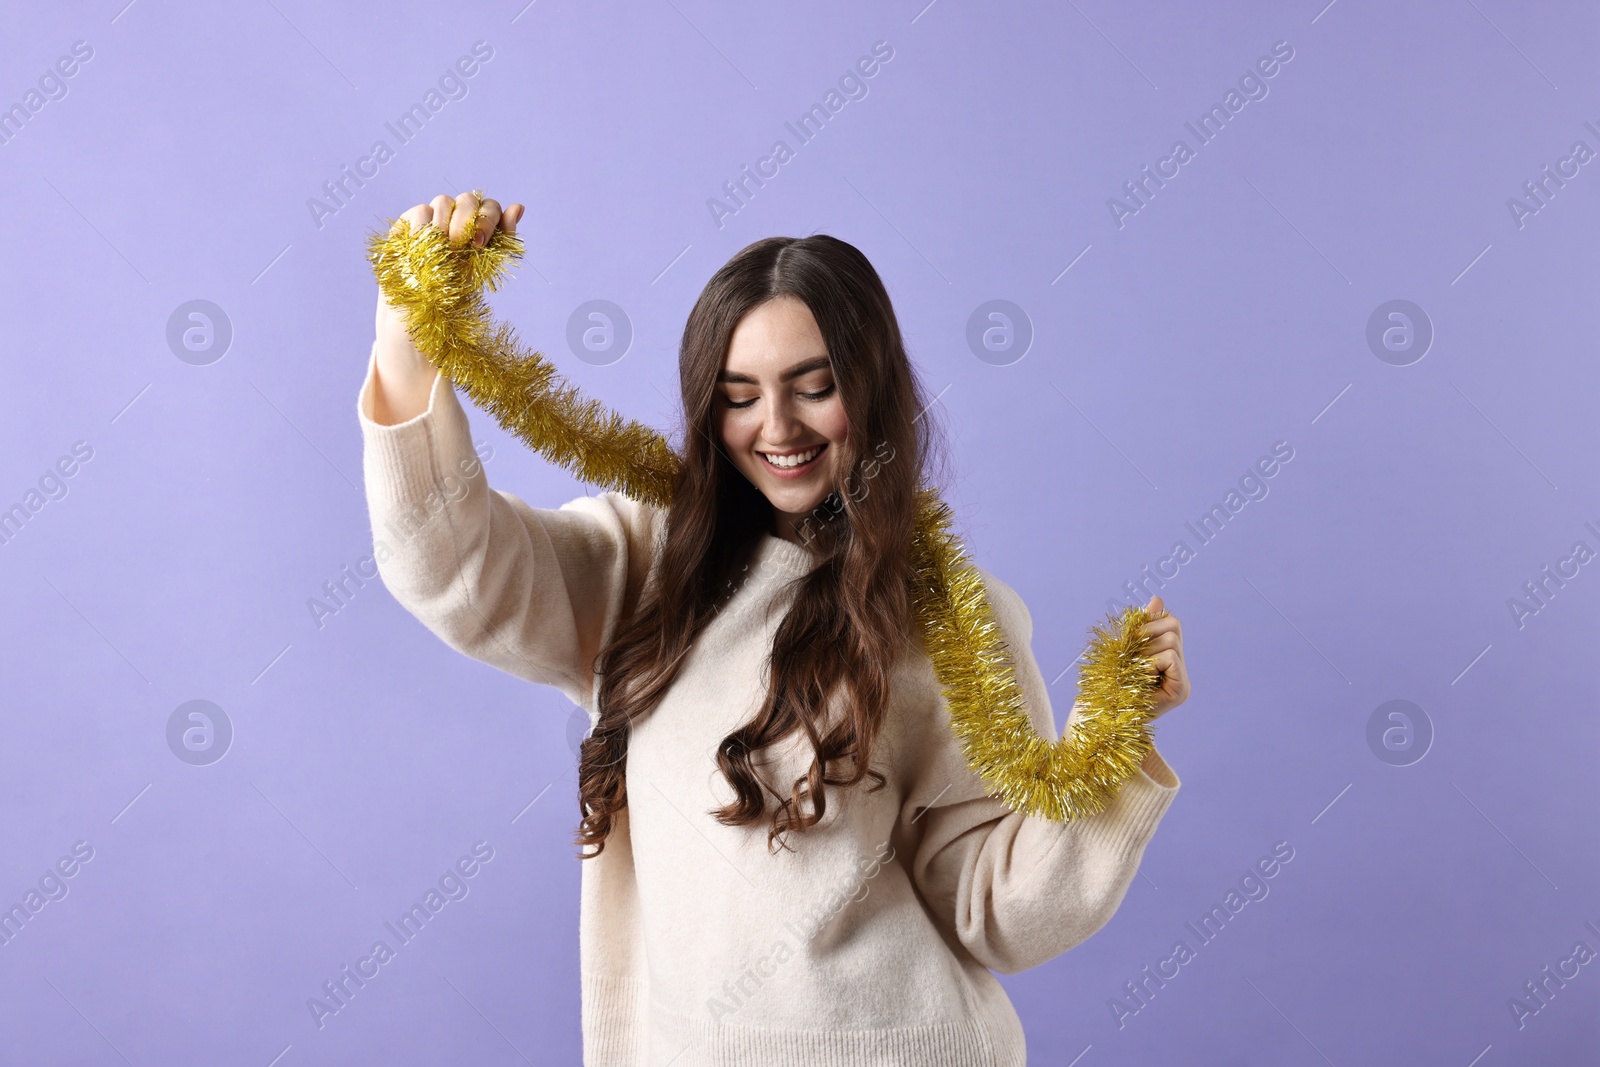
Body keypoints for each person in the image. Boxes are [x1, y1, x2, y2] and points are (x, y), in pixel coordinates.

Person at [357, 191, 1190, 1066]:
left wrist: (1118, 742)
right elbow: (452, 564)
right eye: (739, 395)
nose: (777, 427)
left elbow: (995, 909)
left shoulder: (953, 618)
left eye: (815, 387)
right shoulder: (642, 562)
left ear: (870, 391)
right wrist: (406, 338)